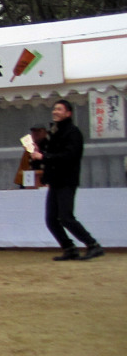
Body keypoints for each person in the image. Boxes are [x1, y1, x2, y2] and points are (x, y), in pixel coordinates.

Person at [31, 99, 105, 261]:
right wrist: (38, 152)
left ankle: (93, 245)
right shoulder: (54, 133)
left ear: (68, 113)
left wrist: (44, 156)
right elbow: (47, 156)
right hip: (55, 181)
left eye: (59, 109)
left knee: (66, 217)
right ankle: (69, 248)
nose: (55, 111)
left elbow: (69, 156)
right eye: (54, 109)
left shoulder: (73, 132)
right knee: (51, 219)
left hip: (67, 180)